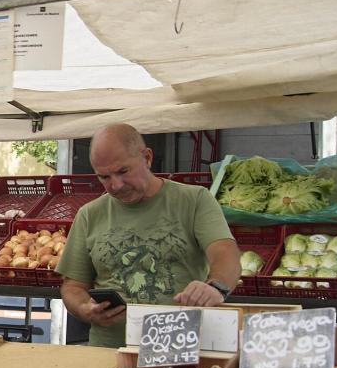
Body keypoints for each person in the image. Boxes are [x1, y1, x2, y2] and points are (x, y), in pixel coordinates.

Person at [56, 124, 241, 348]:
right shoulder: (89, 214)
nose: (115, 185)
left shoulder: (194, 200)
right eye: (104, 177)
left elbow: (225, 252)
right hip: (110, 351)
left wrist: (215, 286)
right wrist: (85, 309)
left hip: (181, 347)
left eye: (123, 171)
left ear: (147, 158)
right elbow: (73, 287)